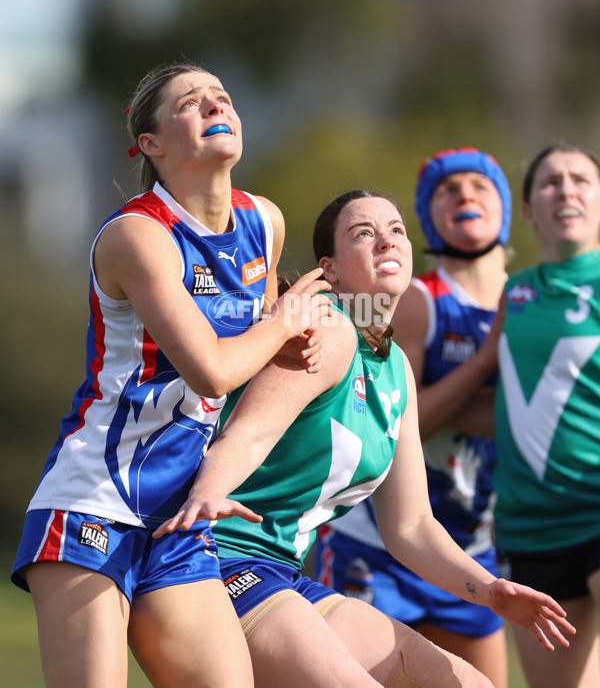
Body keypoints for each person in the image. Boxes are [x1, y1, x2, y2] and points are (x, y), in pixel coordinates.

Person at [155, 189, 574, 688]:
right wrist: (205, 494)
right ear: (329, 269)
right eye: (363, 233)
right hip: (217, 560)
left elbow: (412, 526)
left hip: (283, 572)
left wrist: (490, 590)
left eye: (396, 230)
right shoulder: (329, 327)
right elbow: (248, 434)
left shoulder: (395, 367)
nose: (386, 241)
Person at [10, 62, 332, 688]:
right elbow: (212, 370)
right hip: (93, 500)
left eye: (223, 97)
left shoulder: (263, 220)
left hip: (181, 514)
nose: (216, 105)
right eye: (192, 101)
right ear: (150, 145)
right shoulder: (138, 234)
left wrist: (286, 346)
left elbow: (250, 354)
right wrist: (283, 324)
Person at [314, 149, 511, 686]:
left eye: (480, 185)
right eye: (449, 189)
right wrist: (486, 363)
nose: (466, 196)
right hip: (370, 543)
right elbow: (405, 419)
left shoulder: (526, 300)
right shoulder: (416, 301)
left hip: (464, 542)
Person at [494, 141, 600, 688]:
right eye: (551, 181)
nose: (566, 190)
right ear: (530, 210)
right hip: (530, 526)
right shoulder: (514, 293)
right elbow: (490, 393)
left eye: (580, 179)